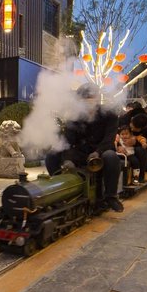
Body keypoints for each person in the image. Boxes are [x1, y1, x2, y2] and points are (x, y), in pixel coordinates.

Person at [45, 83, 124, 212]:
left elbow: (108, 140)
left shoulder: (110, 115)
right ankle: (59, 190)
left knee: (110, 156)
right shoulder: (75, 117)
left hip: (101, 152)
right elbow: (68, 140)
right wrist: (67, 157)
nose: (86, 102)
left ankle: (111, 196)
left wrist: (98, 152)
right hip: (80, 153)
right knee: (51, 155)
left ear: (97, 98)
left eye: (90, 98)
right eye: (83, 99)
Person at [130, 112, 147, 181]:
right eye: (131, 126)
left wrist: (141, 143)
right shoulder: (128, 119)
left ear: (142, 128)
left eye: (135, 128)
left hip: (141, 147)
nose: (132, 129)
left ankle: (145, 173)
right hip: (126, 147)